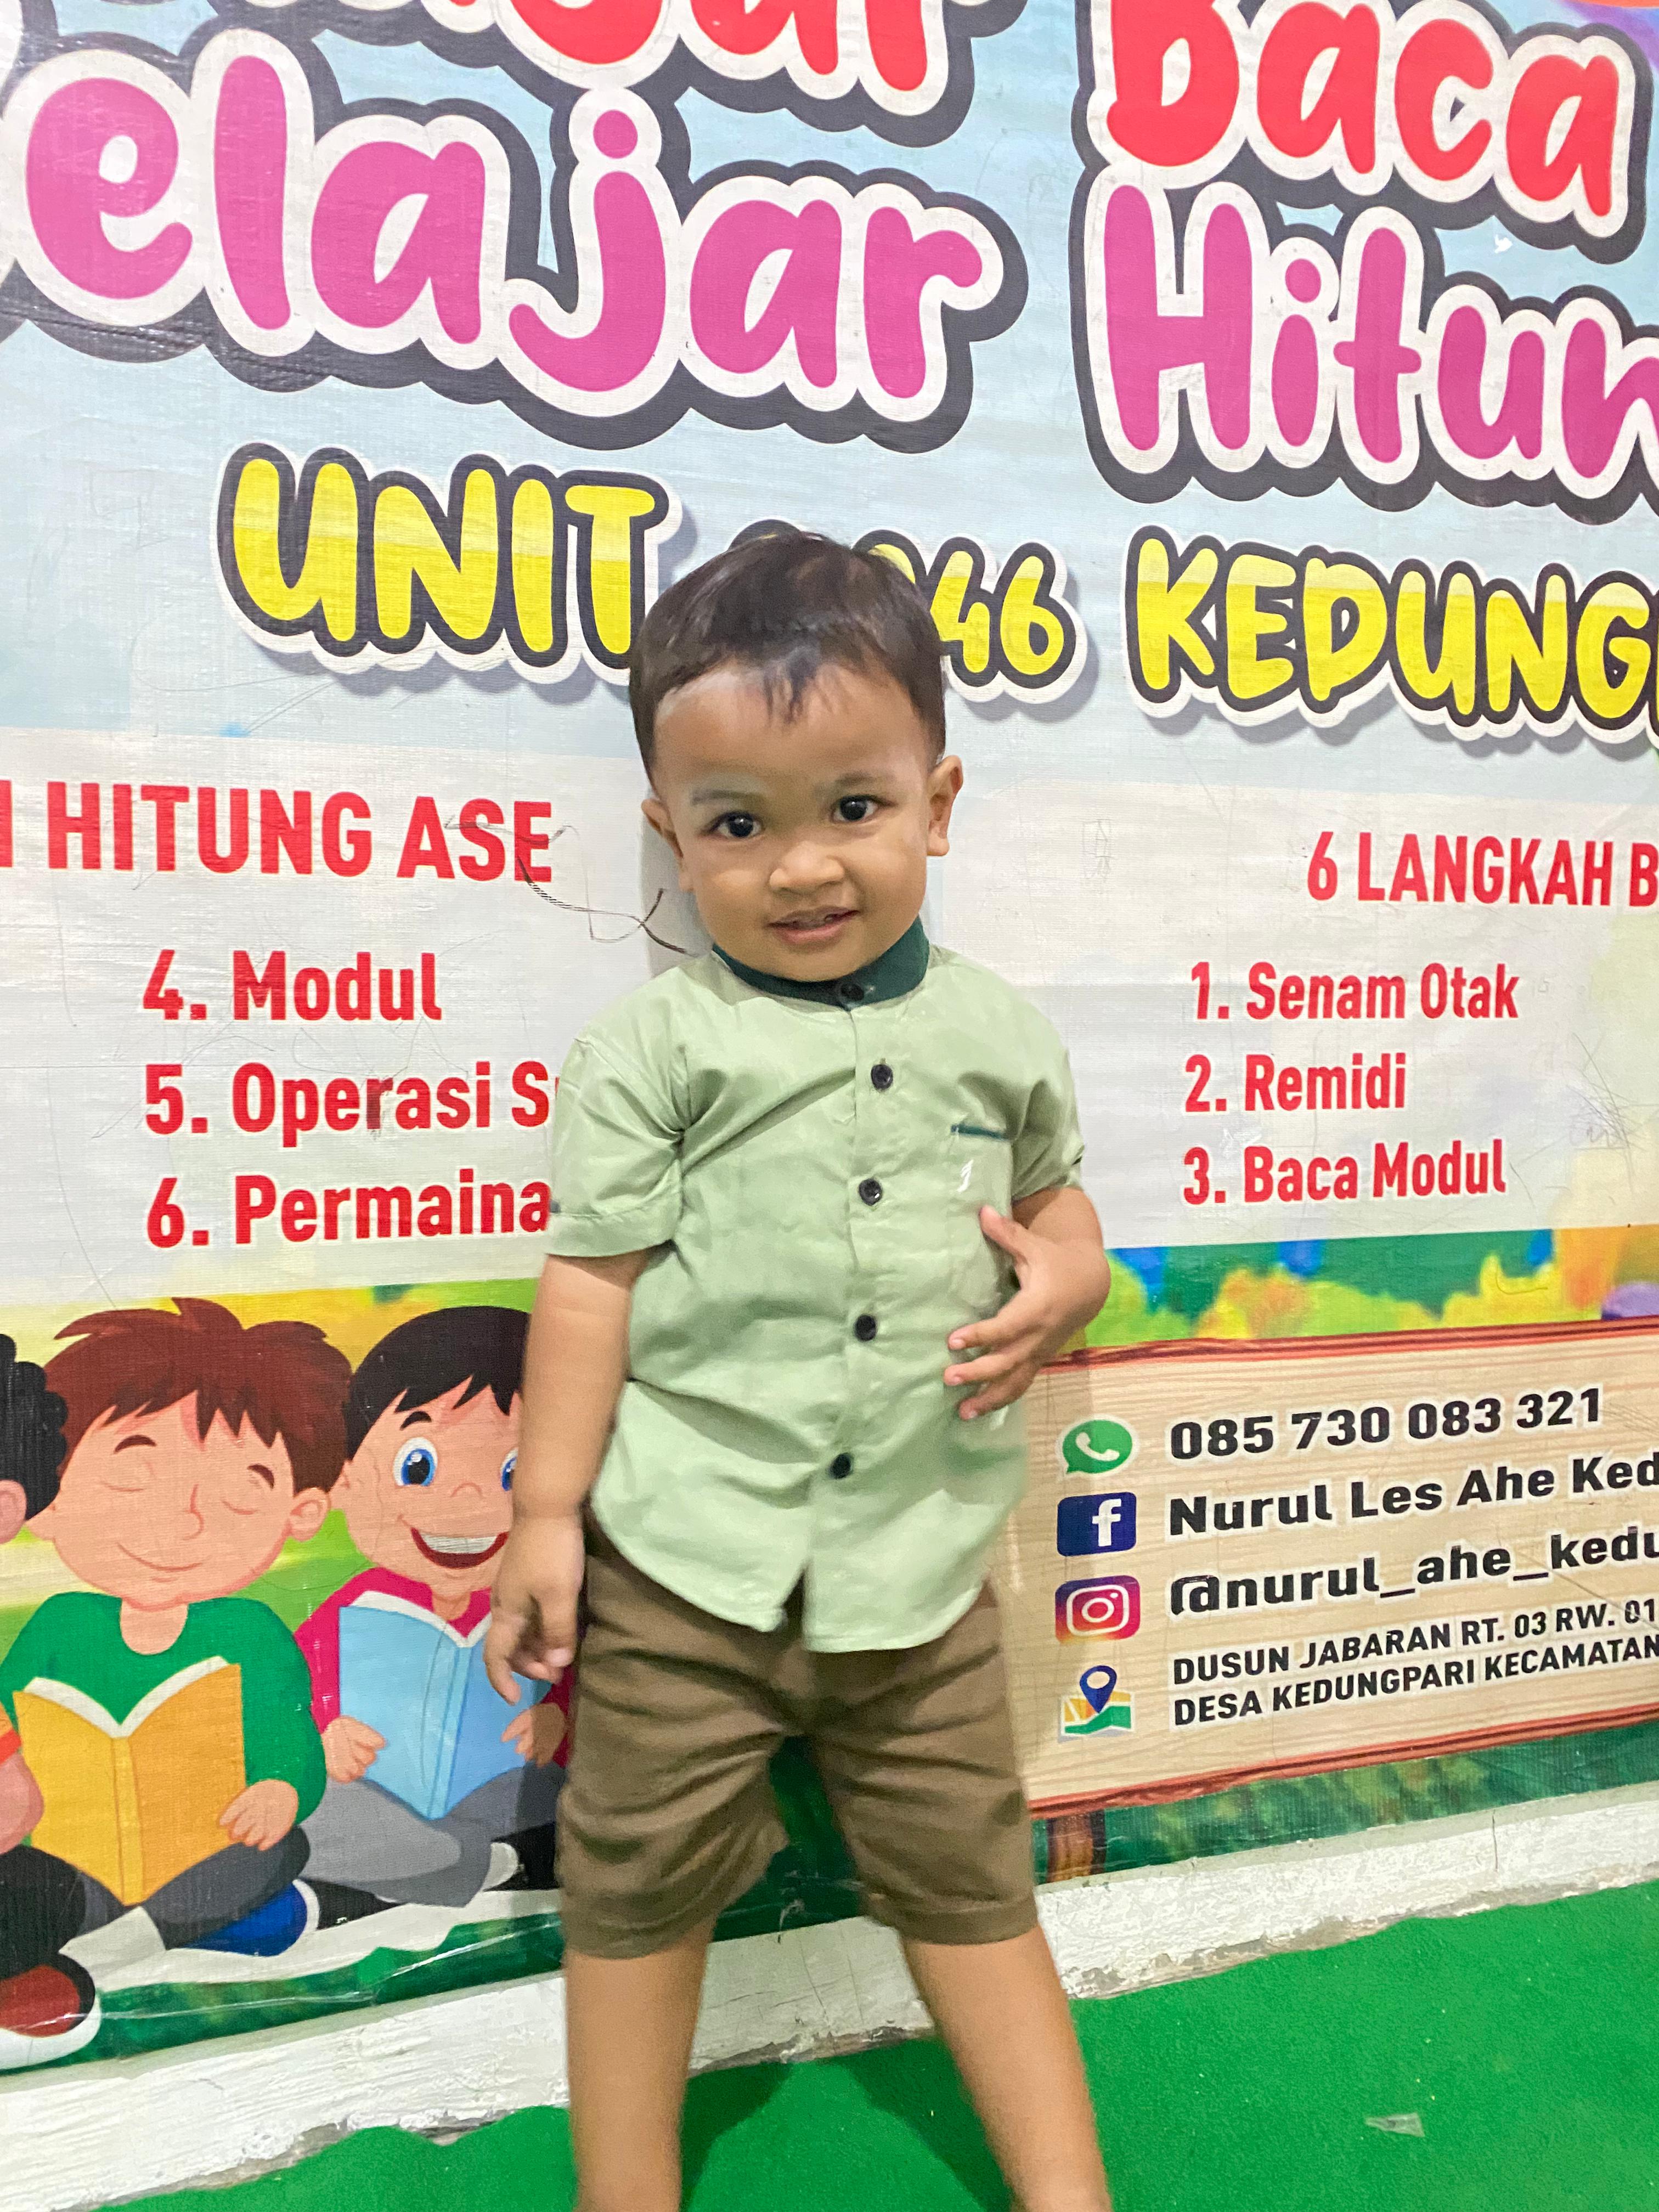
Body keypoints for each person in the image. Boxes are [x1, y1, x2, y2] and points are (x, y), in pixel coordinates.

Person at [484, 534, 1115, 2212]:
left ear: (938, 803)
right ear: (669, 833)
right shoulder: (655, 1049)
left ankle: (1069, 2191)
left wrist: (1076, 1271)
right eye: (738, 825)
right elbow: (592, 1285)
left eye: (854, 806)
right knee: (632, 1889)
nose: (804, 866)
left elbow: (1057, 1200)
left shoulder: (999, 1033)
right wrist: (546, 1516)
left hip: (921, 1583)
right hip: (687, 1575)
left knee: (974, 1885)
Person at [0, 1299, 348, 2066]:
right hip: (73, 1852)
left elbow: (289, 1733)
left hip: (203, 1848)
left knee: (275, 1852)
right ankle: (168, 1932)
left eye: (241, 1488)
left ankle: (131, 1942)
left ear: (299, 1512)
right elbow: (8, 1711)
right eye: (134, 1473)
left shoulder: (250, 1631)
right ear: (54, 1497)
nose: (183, 1522)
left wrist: (280, 1789)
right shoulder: (59, 1622)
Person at [296, 1306, 568, 1915]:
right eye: (418, 1467)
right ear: (345, 1479)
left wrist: (558, 1715)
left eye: (513, 1472)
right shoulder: (349, 1608)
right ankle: (489, 1865)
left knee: (562, 1798)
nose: (467, 1497)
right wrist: (326, 1729)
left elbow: (584, 1677)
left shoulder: (541, 1598)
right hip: (376, 1792)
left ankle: (412, 1874)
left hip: (500, 1788)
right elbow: (293, 1688)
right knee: (318, 1814)